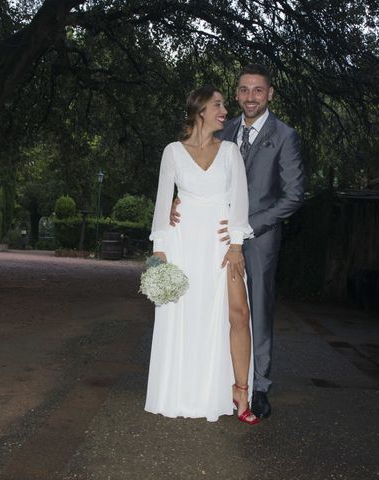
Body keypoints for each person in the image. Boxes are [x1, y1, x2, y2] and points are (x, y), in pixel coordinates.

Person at [171, 65, 304, 419]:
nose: (249, 97)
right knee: (215, 310)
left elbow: (293, 197)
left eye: (257, 90)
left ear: (270, 94)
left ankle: (258, 387)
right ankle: (219, 383)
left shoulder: (285, 136)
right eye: (244, 90)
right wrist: (179, 200)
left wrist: (244, 227)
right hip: (212, 238)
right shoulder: (223, 129)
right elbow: (199, 172)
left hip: (258, 240)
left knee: (254, 313)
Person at [144, 85, 259, 424]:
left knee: (237, 314)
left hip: (222, 245)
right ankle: (183, 392)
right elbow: (163, 203)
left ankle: (240, 392)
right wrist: (158, 254)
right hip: (182, 243)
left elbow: (240, 200)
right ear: (200, 111)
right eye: (218, 104)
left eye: (224, 104)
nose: (225, 110)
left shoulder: (230, 151)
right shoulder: (172, 152)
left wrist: (236, 244)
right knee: (184, 315)